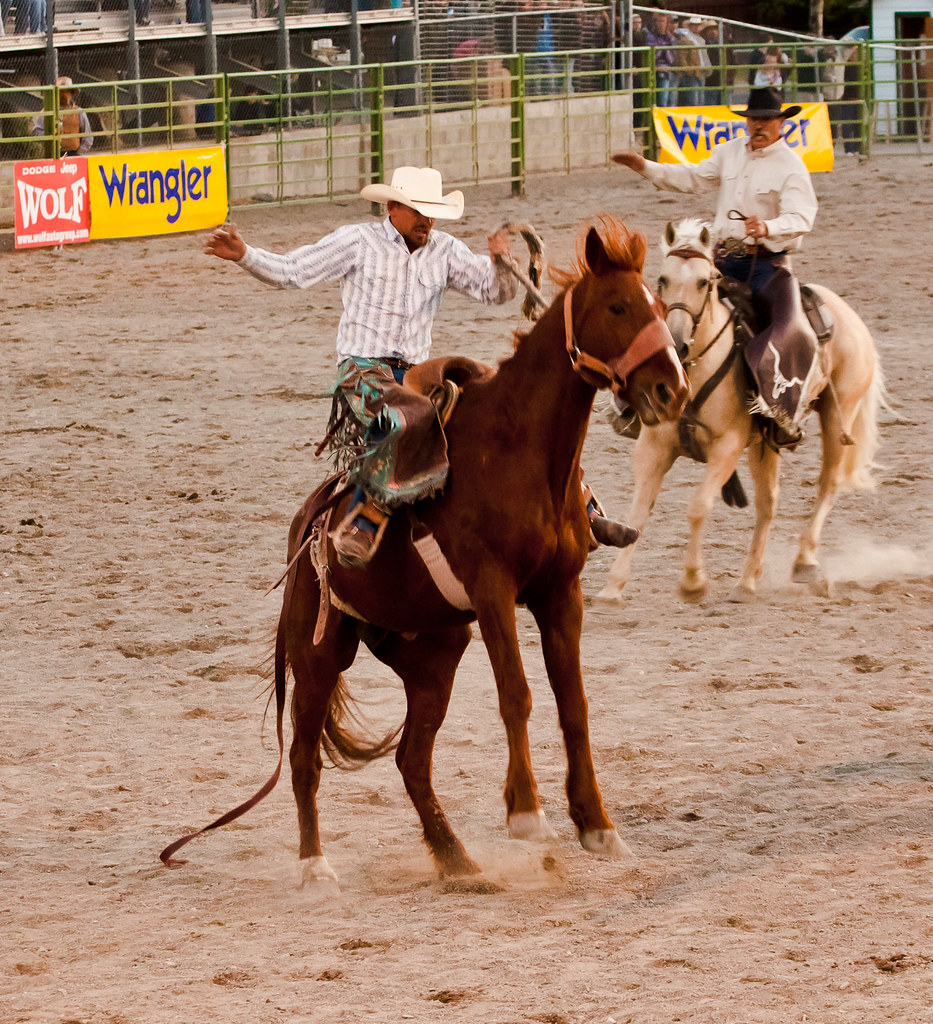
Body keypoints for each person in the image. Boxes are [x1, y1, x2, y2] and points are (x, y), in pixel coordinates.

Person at [204, 165, 634, 565]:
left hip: (416, 371)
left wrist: (502, 263)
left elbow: (494, 292)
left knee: (504, 399)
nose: (427, 221)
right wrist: (244, 254)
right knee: (411, 416)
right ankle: (363, 517)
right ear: (392, 208)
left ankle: (583, 505)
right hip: (362, 369)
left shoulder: (444, 251)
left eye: (431, 213)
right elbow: (293, 271)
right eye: (417, 211)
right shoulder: (358, 242)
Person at [611, 87, 820, 447]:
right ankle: (631, 401)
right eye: (754, 118)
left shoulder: (792, 166)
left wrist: (768, 228)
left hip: (768, 266)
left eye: (767, 119)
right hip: (722, 260)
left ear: (781, 123)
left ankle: (778, 411)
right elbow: (692, 177)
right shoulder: (729, 152)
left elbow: (802, 216)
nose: (759, 125)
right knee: (670, 308)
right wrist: (646, 168)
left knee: (789, 327)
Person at [32, 77, 93, 157]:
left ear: (71, 93)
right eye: (61, 92)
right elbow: (36, 131)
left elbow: (88, 137)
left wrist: (79, 152)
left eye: (67, 91)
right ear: (56, 94)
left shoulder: (79, 112)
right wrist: (51, 137)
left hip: (74, 154)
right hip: (53, 155)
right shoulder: (48, 111)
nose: (64, 95)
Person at [673, 15, 711, 107]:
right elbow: (682, 57)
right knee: (694, 100)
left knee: (700, 99)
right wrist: (688, 70)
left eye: (698, 25)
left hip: (700, 70)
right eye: (694, 25)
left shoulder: (700, 39)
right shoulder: (687, 38)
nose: (696, 27)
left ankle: (699, 119)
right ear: (690, 26)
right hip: (692, 72)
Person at [643, 10, 677, 108]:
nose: (662, 24)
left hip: (667, 72)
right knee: (658, 101)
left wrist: (662, 49)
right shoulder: (650, 35)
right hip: (654, 71)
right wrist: (664, 49)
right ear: (655, 22)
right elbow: (653, 55)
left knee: (669, 100)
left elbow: (672, 59)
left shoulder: (671, 38)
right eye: (660, 21)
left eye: (664, 21)